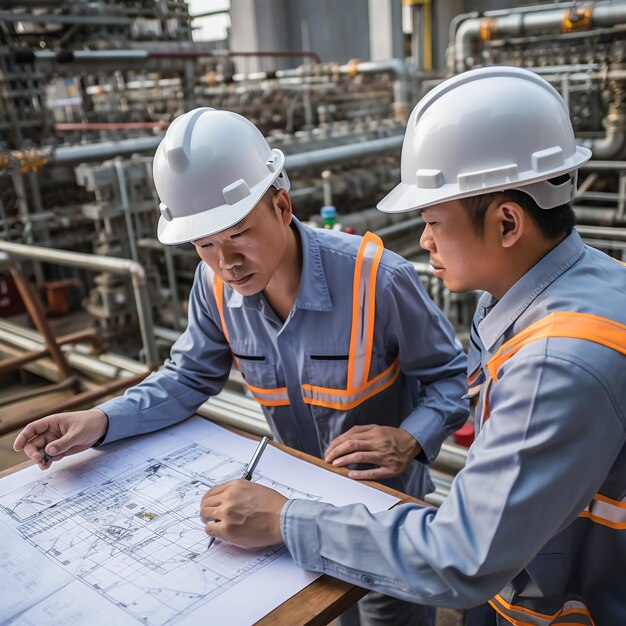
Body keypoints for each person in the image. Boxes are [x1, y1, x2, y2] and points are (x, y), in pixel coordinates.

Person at [195, 66, 626, 625]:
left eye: (432, 221)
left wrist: (286, 520)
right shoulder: (574, 286)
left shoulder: (555, 362)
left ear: (508, 222)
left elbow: (461, 556)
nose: (423, 240)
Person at [13, 107, 469, 626]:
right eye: (204, 245)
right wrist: (101, 420)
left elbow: (452, 377)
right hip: (290, 512)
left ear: (281, 204)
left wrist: (411, 438)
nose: (225, 262)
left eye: (238, 235)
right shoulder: (213, 289)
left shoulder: (376, 279)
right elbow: (187, 377)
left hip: (383, 517)